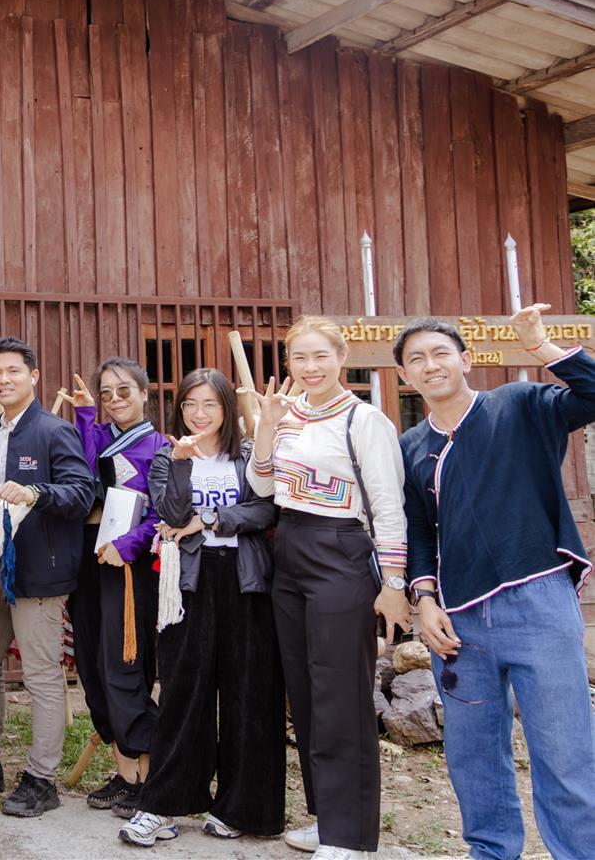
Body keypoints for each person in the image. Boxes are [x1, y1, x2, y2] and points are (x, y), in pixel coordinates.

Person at [395, 306, 595, 860]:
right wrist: (425, 599)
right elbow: (418, 532)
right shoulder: (411, 446)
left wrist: (541, 345)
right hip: (458, 621)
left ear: (466, 360)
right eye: (417, 359)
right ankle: (490, 851)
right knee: (473, 754)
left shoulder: (521, 404)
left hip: (538, 600)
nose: (431, 365)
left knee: (564, 749)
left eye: (441, 353)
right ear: (404, 376)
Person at [246, 317, 408, 860]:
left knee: (341, 691)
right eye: (299, 357)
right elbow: (261, 485)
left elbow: (388, 506)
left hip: (342, 549)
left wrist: (393, 583)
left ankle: (350, 834)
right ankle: (326, 816)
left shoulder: (365, 420)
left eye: (320, 356)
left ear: (342, 357)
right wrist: (267, 425)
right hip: (289, 547)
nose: (310, 367)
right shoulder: (286, 413)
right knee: (307, 690)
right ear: (287, 363)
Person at [119, 369, 285, 848]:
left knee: (249, 695)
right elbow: (170, 515)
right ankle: (163, 806)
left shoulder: (248, 454)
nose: (199, 413)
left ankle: (241, 808)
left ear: (227, 409)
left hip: (246, 581)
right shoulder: (167, 457)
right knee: (182, 694)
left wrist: (210, 518)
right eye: (190, 404)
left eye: (210, 404)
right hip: (187, 584)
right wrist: (181, 465)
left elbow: (266, 508)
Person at [0, 338, 95, 818]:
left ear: (34, 376)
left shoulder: (53, 430)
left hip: (40, 574)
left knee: (41, 676)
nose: (3, 380)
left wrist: (35, 493)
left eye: (13, 371)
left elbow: (82, 493)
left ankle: (42, 778)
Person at [67, 358, 170, 817]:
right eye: (106, 393)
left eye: (123, 391)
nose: (114, 400)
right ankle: (125, 771)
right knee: (91, 664)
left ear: (145, 394)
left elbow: (162, 515)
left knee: (122, 665)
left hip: (128, 565)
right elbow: (83, 475)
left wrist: (127, 545)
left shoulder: (161, 447)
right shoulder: (98, 434)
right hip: (88, 560)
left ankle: (148, 774)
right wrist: (86, 415)